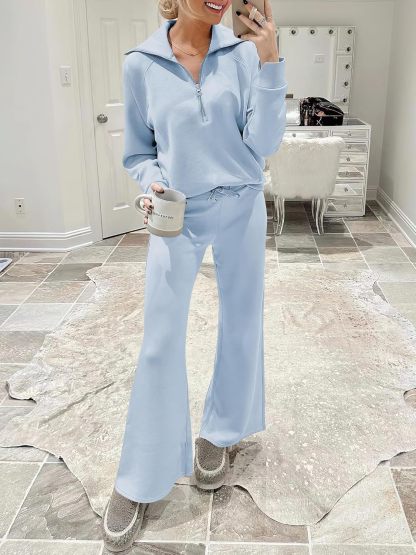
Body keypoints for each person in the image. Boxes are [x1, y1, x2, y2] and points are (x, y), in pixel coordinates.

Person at [102, 0, 287, 550]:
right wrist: (151, 181)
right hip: (177, 211)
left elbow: (264, 144)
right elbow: (139, 152)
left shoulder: (243, 56)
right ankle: (140, 476)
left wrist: (270, 59)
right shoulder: (141, 64)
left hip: (242, 202)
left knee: (242, 323)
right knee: (160, 340)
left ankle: (222, 431)